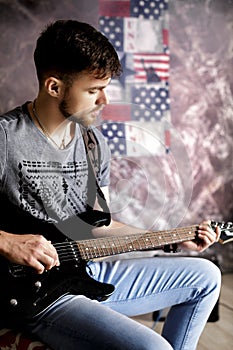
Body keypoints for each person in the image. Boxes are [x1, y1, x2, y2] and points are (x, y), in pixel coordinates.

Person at [0, 20, 221, 350]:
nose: (104, 100)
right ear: (54, 87)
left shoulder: (93, 144)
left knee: (206, 277)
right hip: (33, 294)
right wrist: (7, 242)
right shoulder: (6, 137)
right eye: (93, 90)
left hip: (83, 273)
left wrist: (176, 239)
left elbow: (96, 226)